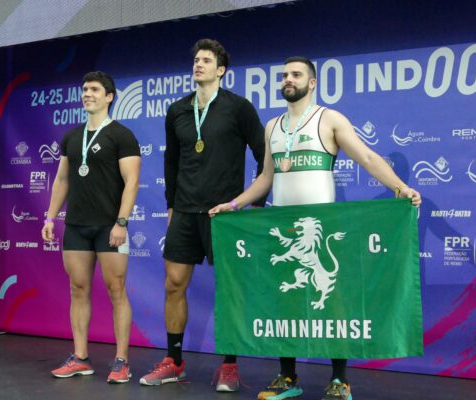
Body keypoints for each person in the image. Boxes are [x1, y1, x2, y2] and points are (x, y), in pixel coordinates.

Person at [209, 57, 422, 400]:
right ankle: (287, 378)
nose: (288, 80)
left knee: (333, 303)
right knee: (286, 301)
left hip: (322, 225)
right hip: (285, 225)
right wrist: (233, 205)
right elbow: (266, 178)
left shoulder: (329, 119)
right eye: (284, 75)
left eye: (296, 75)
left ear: (312, 83)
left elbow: (367, 158)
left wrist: (400, 187)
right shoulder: (272, 126)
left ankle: (339, 380)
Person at [139, 39, 266, 391]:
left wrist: (254, 203)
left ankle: (229, 365)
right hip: (184, 210)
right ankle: (174, 361)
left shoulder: (238, 108)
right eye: (196, 59)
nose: (198, 64)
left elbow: (264, 154)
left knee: (229, 290)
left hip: (224, 213)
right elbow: (171, 161)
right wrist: (170, 204)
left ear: (221, 70)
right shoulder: (178, 110)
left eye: (206, 60)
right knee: (173, 284)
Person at [42, 71, 141, 384]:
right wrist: (49, 217)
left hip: (110, 226)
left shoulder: (122, 135)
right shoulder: (72, 137)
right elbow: (62, 180)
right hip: (76, 226)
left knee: (116, 290)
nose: (88, 94)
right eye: (85, 89)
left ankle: (122, 361)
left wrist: (121, 222)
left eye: (95, 90)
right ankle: (81, 357)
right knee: (78, 289)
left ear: (109, 96)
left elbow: (132, 182)